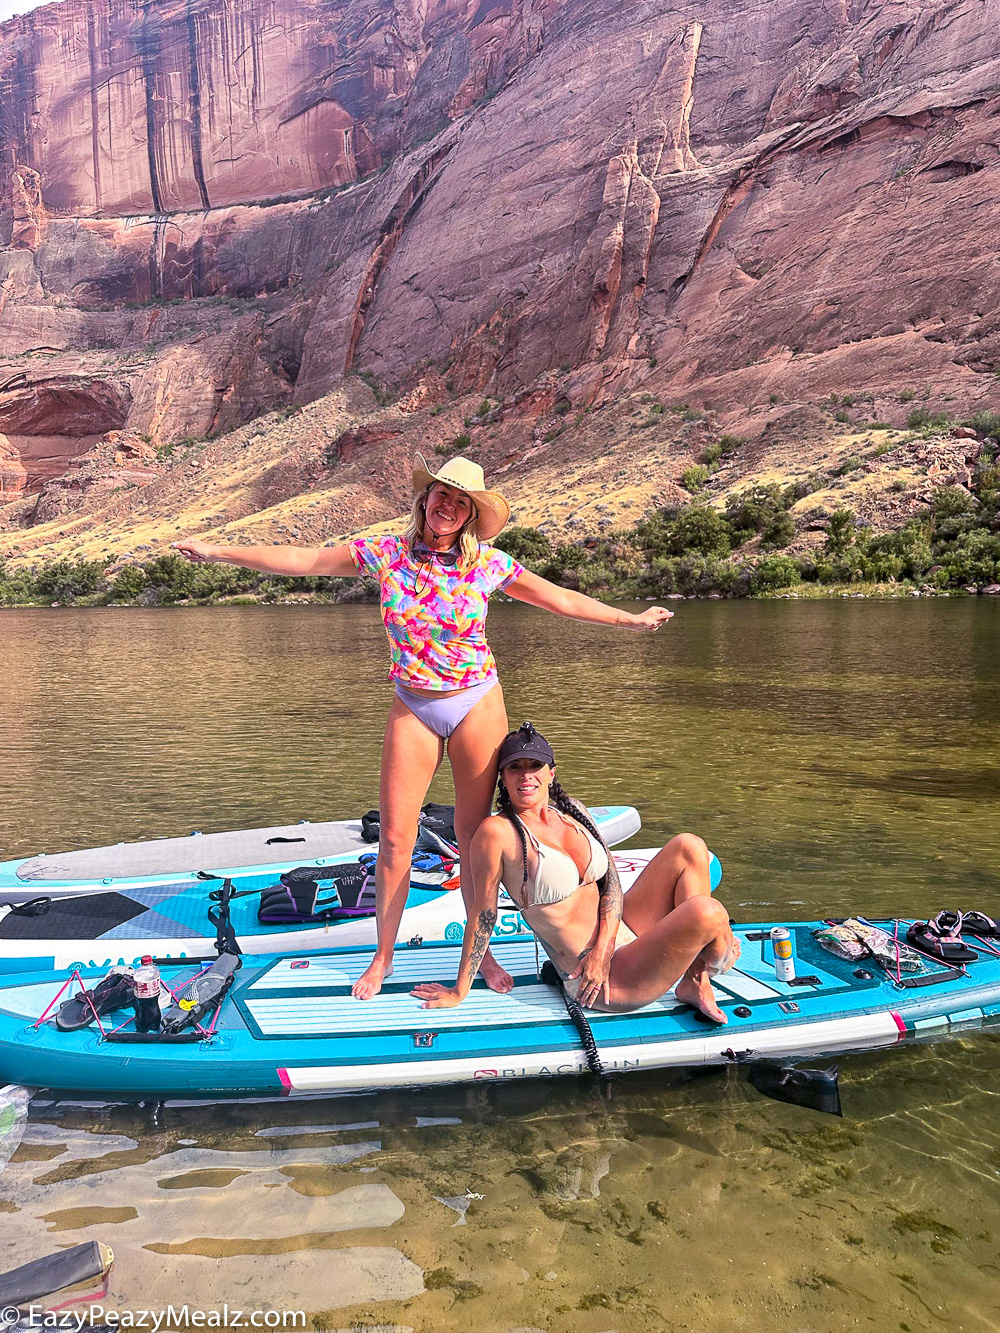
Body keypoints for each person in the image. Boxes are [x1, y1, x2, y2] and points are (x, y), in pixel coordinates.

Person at [173, 454, 673, 999]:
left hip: (476, 702)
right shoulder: (386, 553)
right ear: (425, 499)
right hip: (413, 704)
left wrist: (631, 618)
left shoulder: (489, 564)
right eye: (442, 495)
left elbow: (560, 599)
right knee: (394, 840)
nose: (448, 506)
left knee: (474, 837)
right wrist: (217, 550)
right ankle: (382, 959)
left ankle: (481, 959)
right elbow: (302, 559)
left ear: (471, 515)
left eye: (462, 501)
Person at [412, 722, 737, 1020]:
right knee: (707, 913)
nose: (526, 776)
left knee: (689, 846)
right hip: (600, 979)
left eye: (534, 766)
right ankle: (717, 955)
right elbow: (483, 914)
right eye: (515, 768)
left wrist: (605, 947)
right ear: (504, 778)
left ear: (551, 773)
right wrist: (459, 991)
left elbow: (610, 883)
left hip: (615, 941)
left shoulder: (572, 811)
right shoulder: (498, 833)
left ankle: (695, 978)